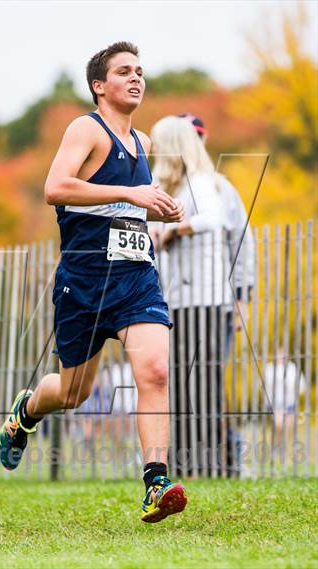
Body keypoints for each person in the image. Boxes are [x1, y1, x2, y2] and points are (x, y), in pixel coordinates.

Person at [0, 41, 188, 523]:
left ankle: (155, 482)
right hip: (83, 280)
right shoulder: (86, 128)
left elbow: (125, 208)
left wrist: (156, 208)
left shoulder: (143, 143)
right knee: (72, 392)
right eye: (124, 71)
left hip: (136, 277)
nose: (136, 78)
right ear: (99, 86)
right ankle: (27, 412)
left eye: (140, 71)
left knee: (156, 372)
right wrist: (132, 191)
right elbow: (54, 188)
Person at [151, 116, 234, 477]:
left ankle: (210, 464)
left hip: (205, 299)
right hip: (179, 301)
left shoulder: (200, 181)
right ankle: (183, 463)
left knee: (203, 383)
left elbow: (212, 219)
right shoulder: (171, 185)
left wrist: (173, 231)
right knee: (180, 384)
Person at [177, 113, 255, 359]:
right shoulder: (161, 185)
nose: (192, 144)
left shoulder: (222, 188)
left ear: (205, 138)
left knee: (209, 378)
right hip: (171, 304)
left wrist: (241, 297)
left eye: (196, 138)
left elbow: (240, 242)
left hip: (216, 302)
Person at [264, 347, 306, 444]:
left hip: (289, 403)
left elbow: (301, 386)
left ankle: (284, 445)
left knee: (288, 427)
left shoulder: (292, 368)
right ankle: (278, 444)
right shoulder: (269, 369)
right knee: (279, 425)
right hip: (276, 403)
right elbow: (264, 387)